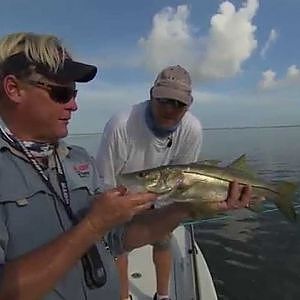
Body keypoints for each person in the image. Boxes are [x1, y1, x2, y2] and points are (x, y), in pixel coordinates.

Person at [0, 32, 251, 300]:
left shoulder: (79, 160)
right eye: (61, 93)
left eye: (73, 93)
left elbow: (118, 238)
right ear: (14, 89)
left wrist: (188, 207)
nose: (74, 105)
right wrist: (93, 226)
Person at [95, 65, 212, 299]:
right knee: (119, 248)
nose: (170, 109)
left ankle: (163, 295)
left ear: (189, 105)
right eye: (164, 101)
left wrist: (164, 207)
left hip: (163, 195)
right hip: (123, 195)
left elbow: (184, 179)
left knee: (163, 241)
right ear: (151, 94)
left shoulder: (192, 129)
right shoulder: (120, 125)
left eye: (179, 104)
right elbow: (104, 180)